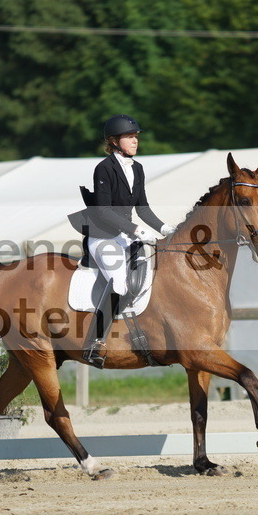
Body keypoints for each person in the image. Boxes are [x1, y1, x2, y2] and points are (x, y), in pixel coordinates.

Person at [80, 114, 176, 367]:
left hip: (124, 237)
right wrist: (137, 230)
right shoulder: (104, 168)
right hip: (102, 238)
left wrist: (166, 228)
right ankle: (95, 342)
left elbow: (142, 208)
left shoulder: (137, 168)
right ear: (113, 141)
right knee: (120, 282)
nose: (135, 141)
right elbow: (102, 211)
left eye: (135, 137)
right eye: (129, 137)